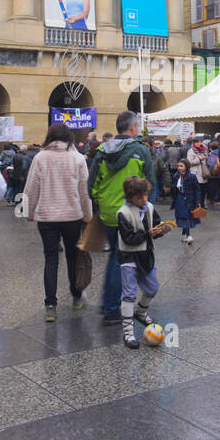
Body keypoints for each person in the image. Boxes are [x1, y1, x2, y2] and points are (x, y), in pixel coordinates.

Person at [88, 112, 155, 325]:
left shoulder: (100, 151)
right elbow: (150, 183)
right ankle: (112, 309)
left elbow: (91, 187)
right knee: (121, 260)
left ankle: (107, 300)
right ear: (133, 128)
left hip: (107, 212)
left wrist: (101, 203)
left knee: (115, 257)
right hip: (129, 212)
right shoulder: (141, 151)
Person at [23, 122, 92, 321]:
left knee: (51, 259)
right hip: (72, 216)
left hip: (46, 216)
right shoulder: (78, 158)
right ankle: (76, 295)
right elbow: (84, 191)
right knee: (73, 258)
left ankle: (50, 304)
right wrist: (87, 216)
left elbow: (31, 187)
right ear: (69, 137)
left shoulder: (40, 157)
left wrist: (28, 212)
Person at [114, 177, 172, 348]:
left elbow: (155, 228)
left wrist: (162, 229)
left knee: (152, 288)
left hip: (146, 255)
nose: (144, 199)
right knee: (129, 294)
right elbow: (129, 239)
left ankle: (140, 312)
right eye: (140, 197)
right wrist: (148, 233)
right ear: (130, 197)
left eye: (146, 195)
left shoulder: (150, 208)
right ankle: (128, 334)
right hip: (129, 257)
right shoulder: (122, 213)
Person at [169, 158, 202, 244]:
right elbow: (174, 187)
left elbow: (197, 189)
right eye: (178, 166)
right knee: (184, 216)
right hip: (179, 199)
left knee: (187, 216)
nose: (179, 168)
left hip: (189, 200)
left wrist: (198, 201)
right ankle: (186, 235)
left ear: (187, 167)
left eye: (181, 166)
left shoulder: (192, 177)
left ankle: (187, 235)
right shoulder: (176, 176)